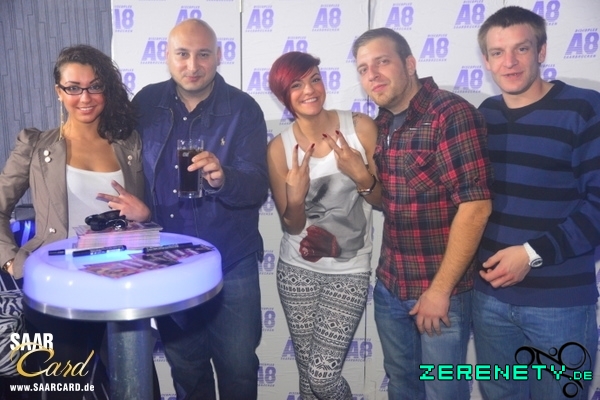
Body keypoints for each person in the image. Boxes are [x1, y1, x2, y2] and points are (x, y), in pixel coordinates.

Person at [0, 44, 150, 399]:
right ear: (59, 91)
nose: (85, 97)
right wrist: (10, 261)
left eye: (95, 86)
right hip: (58, 288)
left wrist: (144, 215)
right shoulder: (35, 146)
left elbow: (148, 218)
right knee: (64, 390)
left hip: (120, 285)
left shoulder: (129, 145)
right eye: (73, 88)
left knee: (135, 387)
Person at [353, 28, 493, 399]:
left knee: (443, 390)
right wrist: (362, 179)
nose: (373, 75)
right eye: (364, 69)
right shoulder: (382, 123)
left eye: (382, 62)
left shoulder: (450, 114)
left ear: (410, 64)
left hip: (440, 291)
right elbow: (389, 202)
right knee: (402, 385)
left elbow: (476, 207)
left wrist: (440, 291)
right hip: (391, 285)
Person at [133, 18, 268, 400]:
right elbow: (121, 159)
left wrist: (223, 178)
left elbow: (257, 186)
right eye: (183, 54)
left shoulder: (243, 108)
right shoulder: (145, 104)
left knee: (239, 369)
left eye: (203, 54)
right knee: (187, 370)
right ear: (167, 56)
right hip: (169, 260)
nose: (192, 65)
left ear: (218, 56)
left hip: (231, 259)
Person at [472, 6, 600, 400]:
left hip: (559, 305)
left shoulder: (584, 108)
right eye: (497, 52)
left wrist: (531, 254)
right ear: (486, 60)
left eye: (521, 49)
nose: (509, 62)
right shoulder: (485, 115)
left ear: (541, 51)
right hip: (489, 300)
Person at [267, 51, 380, 399]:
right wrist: (296, 198)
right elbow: (291, 225)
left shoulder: (360, 128)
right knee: (307, 377)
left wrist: (361, 175)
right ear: (284, 95)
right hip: (296, 270)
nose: (310, 90)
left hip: (349, 270)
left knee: (322, 378)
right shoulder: (279, 148)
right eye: (296, 85)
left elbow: (383, 201)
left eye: (315, 79)